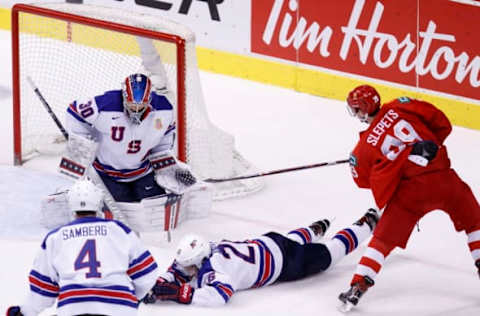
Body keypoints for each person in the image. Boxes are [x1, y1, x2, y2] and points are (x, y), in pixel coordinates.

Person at [338, 85, 480, 311]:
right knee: (475, 222)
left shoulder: (362, 149)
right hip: (445, 179)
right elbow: (441, 121)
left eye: (356, 109)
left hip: (411, 193)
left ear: (364, 110)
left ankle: (358, 285)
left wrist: (362, 160)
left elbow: (363, 181)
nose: (355, 114)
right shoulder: (401, 105)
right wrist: (432, 143)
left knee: (382, 241)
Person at [56, 37, 211, 232]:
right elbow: (74, 111)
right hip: (107, 174)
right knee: (124, 212)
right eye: (132, 104)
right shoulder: (105, 105)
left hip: (142, 172)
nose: (136, 109)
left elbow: (164, 138)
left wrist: (167, 163)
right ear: (124, 96)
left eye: (141, 105)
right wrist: (82, 142)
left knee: (153, 212)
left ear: (149, 99)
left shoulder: (164, 110)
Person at [140, 209, 380, 306]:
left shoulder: (215, 269)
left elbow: (220, 295)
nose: (185, 270)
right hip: (269, 241)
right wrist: (163, 281)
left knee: (331, 254)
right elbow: (180, 265)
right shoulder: (207, 248)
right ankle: (314, 229)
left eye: (190, 267)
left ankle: (365, 225)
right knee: (292, 239)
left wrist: (179, 294)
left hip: (286, 264)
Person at [6, 179, 159, 316]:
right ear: (98, 203)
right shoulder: (120, 231)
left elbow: (42, 291)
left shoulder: (56, 237)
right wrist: (132, 299)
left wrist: (23, 312)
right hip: (120, 308)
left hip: (74, 308)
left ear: (71, 204)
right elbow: (147, 276)